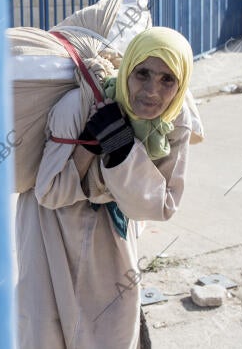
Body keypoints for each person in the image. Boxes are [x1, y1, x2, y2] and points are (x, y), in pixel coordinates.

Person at [16, 27, 194, 349]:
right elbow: (50, 192)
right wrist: (90, 146)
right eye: (143, 74)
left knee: (112, 326)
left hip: (109, 239)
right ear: (128, 70)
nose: (152, 91)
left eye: (167, 80)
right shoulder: (79, 106)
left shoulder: (174, 124)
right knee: (46, 326)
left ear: (180, 85)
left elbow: (161, 204)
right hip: (50, 231)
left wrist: (123, 149)